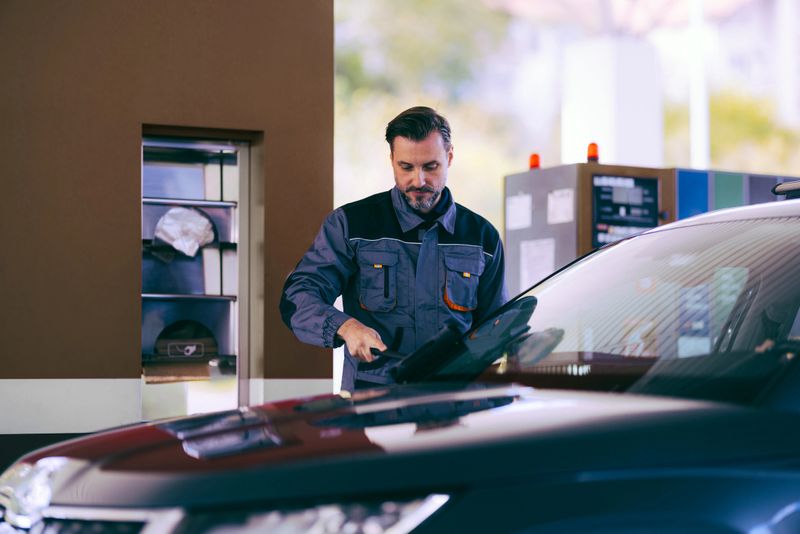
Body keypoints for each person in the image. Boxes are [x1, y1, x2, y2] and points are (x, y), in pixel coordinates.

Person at [280, 106, 508, 392]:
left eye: (430, 166)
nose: (419, 181)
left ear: (449, 157)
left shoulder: (481, 238)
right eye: (406, 167)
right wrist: (347, 327)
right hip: (373, 403)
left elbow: (496, 329)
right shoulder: (351, 226)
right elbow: (298, 296)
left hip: (454, 403)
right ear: (391, 160)